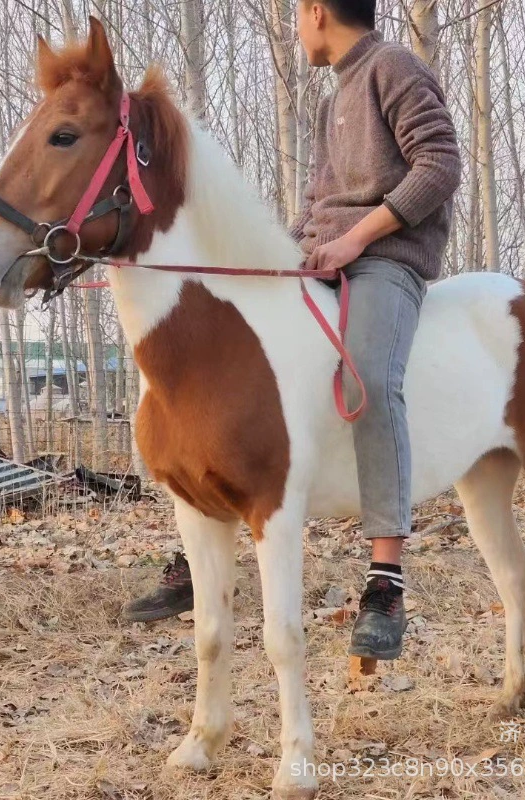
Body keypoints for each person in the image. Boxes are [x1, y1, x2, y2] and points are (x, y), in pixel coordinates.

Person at [123, 0, 460, 661]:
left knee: (370, 374)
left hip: (388, 263)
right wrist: (289, 252)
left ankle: (386, 579)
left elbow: (439, 166)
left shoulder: (392, 67)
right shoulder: (330, 93)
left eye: (293, 16)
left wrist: (354, 239)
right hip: (327, 261)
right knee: (231, 365)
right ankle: (201, 544)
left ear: (315, 11)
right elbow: (317, 203)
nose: (293, 30)